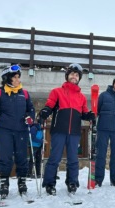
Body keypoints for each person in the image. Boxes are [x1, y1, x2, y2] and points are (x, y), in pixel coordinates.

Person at [38, 63, 95, 195]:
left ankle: (72, 182)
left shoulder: (81, 97)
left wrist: (90, 116)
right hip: (59, 130)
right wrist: (45, 111)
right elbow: (50, 105)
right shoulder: (57, 91)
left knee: (73, 159)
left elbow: (84, 113)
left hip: (74, 132)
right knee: (55, 158)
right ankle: (49, 183)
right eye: (72, 74)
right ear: (67, 76)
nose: (74, 77)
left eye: (77, 75)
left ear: (79, 78)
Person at [0, 64, 35, 199]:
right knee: (5, 157)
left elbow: (31, 109)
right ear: (7, 78)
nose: (18, 80)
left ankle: (22, 181)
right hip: (4, 130)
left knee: (22, 158)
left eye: (19, 77)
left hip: (21, 131)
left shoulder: (24, 94)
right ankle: (4, 182)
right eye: (15, 77)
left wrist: (30, 117)